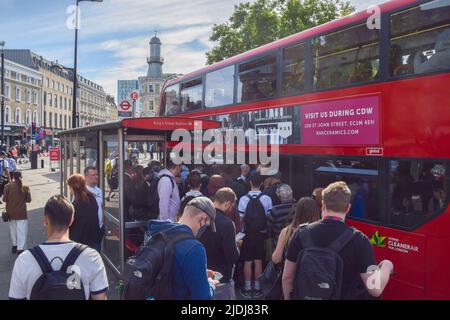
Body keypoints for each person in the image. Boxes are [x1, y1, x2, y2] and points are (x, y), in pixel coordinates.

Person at [282, 181, 394, 300]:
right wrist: (387, 265)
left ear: (323, 205)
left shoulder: (300, 234)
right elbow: (375, 289)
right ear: (348, 208)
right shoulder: (360, 240)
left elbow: (287, 278)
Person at [9, 195, 108, 300]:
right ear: (71, 220)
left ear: (45, 221)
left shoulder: (24, 260)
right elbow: (100, 297)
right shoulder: (91, 257)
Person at [147, 196, 218, 299]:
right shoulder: (194, 248)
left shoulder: (156, 233)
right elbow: (202, 297)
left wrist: (200, 272)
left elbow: (167, 268)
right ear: (202, 218)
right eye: (207, 225)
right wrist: (211, 284)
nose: (204, 230)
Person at [199, 188, 240, 300]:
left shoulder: (200, 217)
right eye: (231, 206)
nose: (231, 209)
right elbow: (232, 256)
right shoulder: (227, 224)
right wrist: (237, 246)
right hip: (221, 277)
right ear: (227, 204)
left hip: (200, 272)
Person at [238, 173, 273, 299]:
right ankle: (258, 287)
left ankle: (247, 288)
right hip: (261, 234)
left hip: (247, 234)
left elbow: (241, 219)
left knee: (248, 261)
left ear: (250, 183)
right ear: (262, 183)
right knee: (258, 261)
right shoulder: (267, 199)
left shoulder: (243, 199)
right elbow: (269, 217)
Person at [272, 197, 320, 265]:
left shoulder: (286, 231)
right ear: (316, 212)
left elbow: (276, 259)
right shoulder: (320, 231)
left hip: (290, 272)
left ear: (297, 211)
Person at [67, 174, 102, 250]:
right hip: (93, 239)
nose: (69, 189)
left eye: (69, 187)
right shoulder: (91, 198)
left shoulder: (77, 204)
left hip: (80, 242)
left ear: (73, 188)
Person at [3, 171, 32, 255]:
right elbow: (29, 200)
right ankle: (21, 248)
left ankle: (14, 246)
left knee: (13, 230)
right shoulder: (25, 187)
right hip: (21, 213)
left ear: (13, 177)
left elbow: (4, 199)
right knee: (22, 231)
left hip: (10, 213)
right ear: (21, 177)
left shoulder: (7, 186)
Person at [84, 167, 104, 252]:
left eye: (97, 174)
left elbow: (100, 206)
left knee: (97, 250)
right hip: (89, 230)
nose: (96, 177)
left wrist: (103, 223)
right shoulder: (82, 192)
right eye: (93, 175)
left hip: (99, 228)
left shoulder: (99, 190)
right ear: (86, 177)